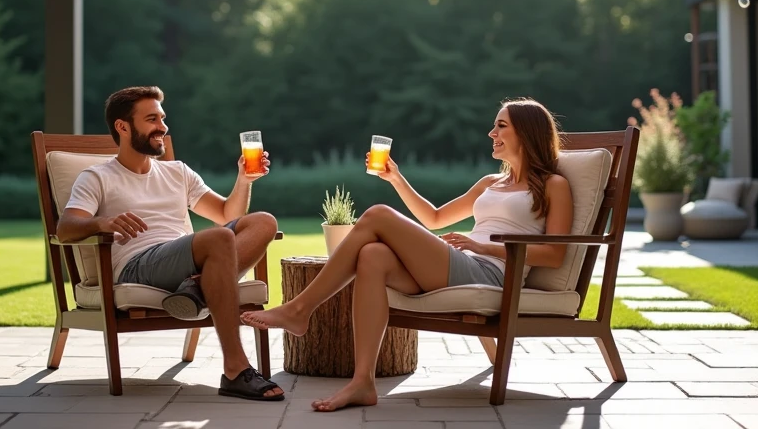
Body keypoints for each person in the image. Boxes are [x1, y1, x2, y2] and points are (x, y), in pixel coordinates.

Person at [242, 98, 572, 411]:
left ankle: (300, 308)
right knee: (372, 255)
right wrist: (396, 178)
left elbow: (554, 255)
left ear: (526, 133)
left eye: (501, 126)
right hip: (462, 262)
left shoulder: (553, 185)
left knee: (378, 215)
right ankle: (363, 383)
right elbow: (435, 218)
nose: (492, 134)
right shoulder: (490, 182)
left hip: (491, 272)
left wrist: (482, 246)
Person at [56, 86, 284, 401]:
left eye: (162, 118)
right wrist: (101, 222)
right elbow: (65, 228)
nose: (163, 126)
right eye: (151, 119)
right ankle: (235, 370)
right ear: (123, 127)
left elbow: (226, 213)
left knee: (264, 222)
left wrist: (243, 181)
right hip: (138, 264)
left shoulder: (177, 172)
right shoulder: (97, 177)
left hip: (184, 258)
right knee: (218, 237)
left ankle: (197, 285)